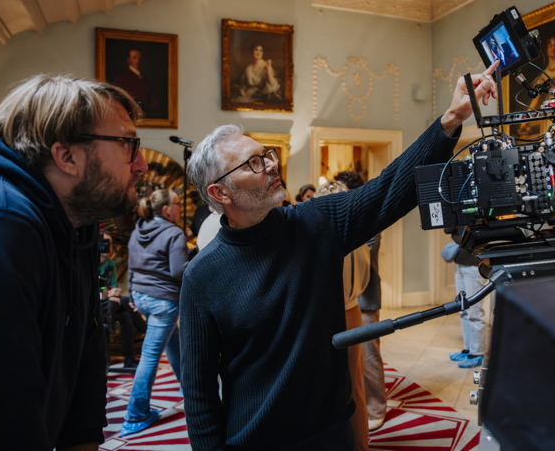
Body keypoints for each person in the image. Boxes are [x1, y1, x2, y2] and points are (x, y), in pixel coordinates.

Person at [179, 60, 499, 450]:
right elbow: (198, 392)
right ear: (220, 192)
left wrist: (451, 118)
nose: (271, 164)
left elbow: (390, 188)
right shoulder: (202, 276)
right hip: (255, 440)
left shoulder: (316, 223)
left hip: (330, 434)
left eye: (266, 154)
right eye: (254, 163)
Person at [0, 74, 148, 450]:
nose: (141, 165)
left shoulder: (74, 222)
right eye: (128, 144)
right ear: (67, 156)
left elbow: (84, 360)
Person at [121, 188, 188, 436]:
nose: (181, 207)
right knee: (150, 356)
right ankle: (135, 415)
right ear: (167, 210)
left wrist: (133, 293)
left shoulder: (139, 228)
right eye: (178, 203)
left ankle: (189, 389)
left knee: (174, 343)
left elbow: (133, 263)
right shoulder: (173, 232)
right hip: (162, 301)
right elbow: (179, 272)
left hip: (141, 295)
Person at [316, 181, 371, 450]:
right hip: (353, 311)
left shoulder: (323, 241)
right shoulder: (358, 239)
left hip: (329, 315)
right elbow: (364, 279)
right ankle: (361, 444)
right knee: (355, 384)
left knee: (327, 385)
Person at [334, 171, 387, 432]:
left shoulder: (368, 223)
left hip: (365, 297)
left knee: (369, 355)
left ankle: (376, 407)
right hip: (344, 299)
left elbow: (363, 253)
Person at [99, 231, 140, 369]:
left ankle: (129, 358)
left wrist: (113, 294)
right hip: (96, 304)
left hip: (110, 303)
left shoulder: (110, 264)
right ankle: (143, 328)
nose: (107, 247)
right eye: (104, 243)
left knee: (126, 316)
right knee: (124, 304)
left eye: (109, 244)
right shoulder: (89, 263)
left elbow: (114, 287)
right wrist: (107, 295)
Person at [441, 243, 487, 368]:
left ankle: (477, 354)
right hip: (461, 265)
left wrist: (461, 237)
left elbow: (470, 238)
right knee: (463, 311)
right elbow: (454, 234)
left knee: (474, 312)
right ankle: (468, 350)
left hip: (475, 267)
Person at [113, 48, 158, 116]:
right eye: (134, 58)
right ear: (128, 60)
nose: (138, 60)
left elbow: (151, 97)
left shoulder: (145, 78)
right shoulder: (121, 77)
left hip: (146, 114)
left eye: (139, 58)